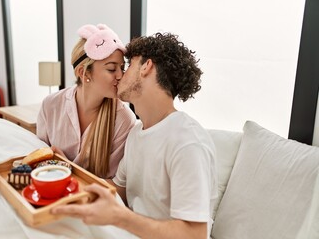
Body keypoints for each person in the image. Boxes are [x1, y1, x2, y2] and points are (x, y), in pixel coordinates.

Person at [51, 32, 218, 239]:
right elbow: (115, 188)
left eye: (128, 65)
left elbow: (196, 234)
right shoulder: (137, 134)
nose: (120, 75)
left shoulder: (187, 141)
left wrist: (120, 217)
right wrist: (67, 171)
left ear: (146, 67)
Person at [37, 24, 137, 178]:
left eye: (122, 68)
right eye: (111, 69)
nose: (120, 76)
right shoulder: (51, 105)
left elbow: (110, 184)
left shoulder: (123, 120)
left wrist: (66, 166)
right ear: (83, 73)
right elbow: (40, 161)